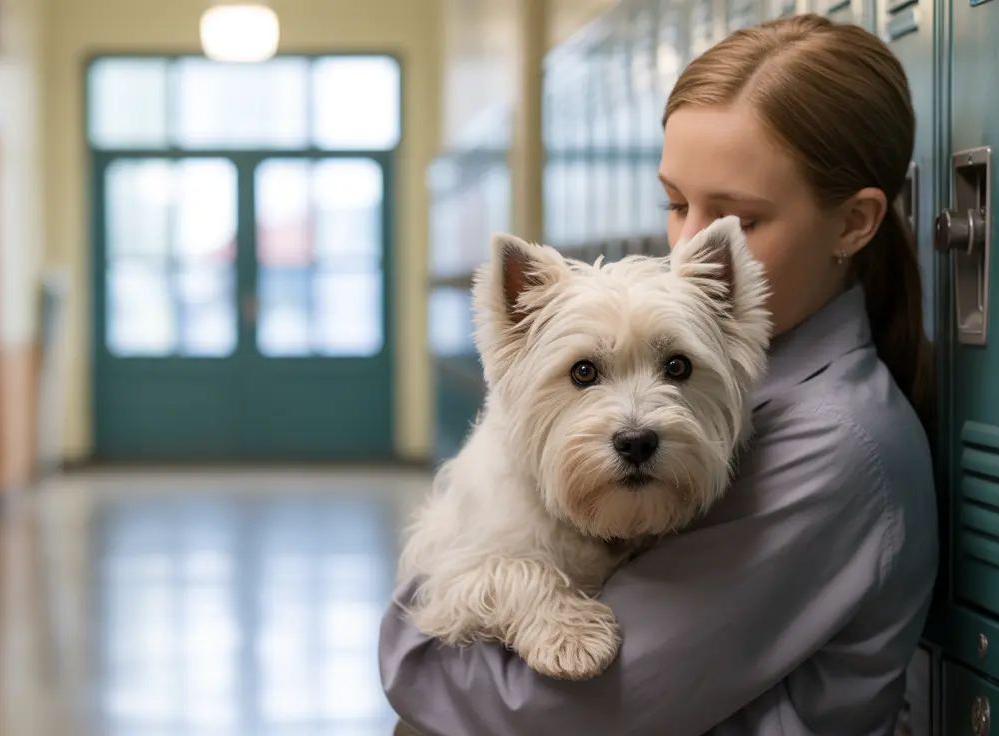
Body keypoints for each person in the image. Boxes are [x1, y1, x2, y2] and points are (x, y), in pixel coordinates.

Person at [379, 13, 939, 735]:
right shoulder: (765, 394)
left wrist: (408, 646)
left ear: (854, 224)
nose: (689, 247)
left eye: (737, 219)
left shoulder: (828, 444)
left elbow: (568, 712)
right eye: (675, 204)